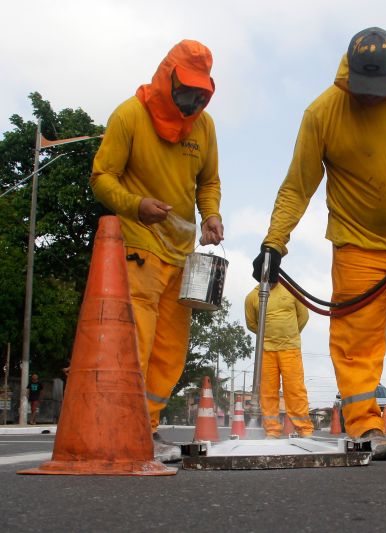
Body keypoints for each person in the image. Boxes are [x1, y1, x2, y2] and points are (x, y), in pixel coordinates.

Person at [252, 27, 386, 460]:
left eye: (378, 88)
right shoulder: (323, 112)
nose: (369, 97)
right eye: (362, 88)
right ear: (348, 72)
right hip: (356, 247)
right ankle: (366, 426)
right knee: (357, 345)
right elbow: (297, 187)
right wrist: (273, 243)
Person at [90, 39, 224, 462]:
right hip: (139, 245)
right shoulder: (130, 116)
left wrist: (212, 215)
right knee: (138, 341)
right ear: (166, 78)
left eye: (200, 95)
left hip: (183, 256)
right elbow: (101, 177)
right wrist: (136, 205)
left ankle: (144, 426)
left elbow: (208, 182)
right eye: (186, 92)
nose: (191, 104)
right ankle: (125, 426)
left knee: (170, 349)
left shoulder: (204, 127)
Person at [245, 283, 313, 438]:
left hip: (290, 348)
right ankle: (272, 430)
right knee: (267, 391)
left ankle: (304, 429)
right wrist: (267, 336)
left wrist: (291, 334)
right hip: (267, 350)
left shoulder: (292, 291)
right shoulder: (252, 297)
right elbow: (251, 323)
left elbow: (303, 316)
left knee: (295, 390)